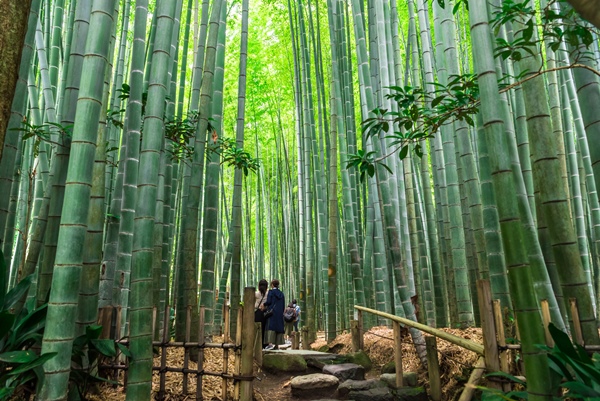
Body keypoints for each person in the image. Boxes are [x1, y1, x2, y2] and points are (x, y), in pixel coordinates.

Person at [263, 279, 285, 350]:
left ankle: (270, 343)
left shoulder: (271, 292)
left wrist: (264, 304)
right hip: (279, 313)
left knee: (271, 327)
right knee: (278, 327)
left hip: (272, 313)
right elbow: (283, 304)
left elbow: (269, 301)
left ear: (272, 285)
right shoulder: (281, 293)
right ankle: (277, 345)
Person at [254, 279, 269, 349]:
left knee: (257, 328)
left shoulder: (256, 294)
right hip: (265, 314)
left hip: (257, 313)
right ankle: (264, 344)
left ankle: (256, 344)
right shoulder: (268, 294)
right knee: (264, 329)